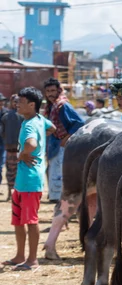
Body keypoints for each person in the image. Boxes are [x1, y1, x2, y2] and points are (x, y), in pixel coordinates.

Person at [2, 87, 56, 271]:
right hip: (24, 180)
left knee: (31, 220)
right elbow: (52, 128)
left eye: (21, 102)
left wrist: (22, 154)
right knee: (18, 220)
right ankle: (20, 255)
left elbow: (31, 143)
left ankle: (32, 260)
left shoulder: (30, 124)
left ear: (32, 105)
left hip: (30, 180)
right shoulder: (40, 120)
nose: (17, 104)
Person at [43, 78, 85, 203]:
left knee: (60, 175)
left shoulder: (62, 105)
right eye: (48, 91)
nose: (50, 93)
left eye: (53, 91)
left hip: (62, 145)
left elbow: (79, 122)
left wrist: (66, 138)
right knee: (54, 172)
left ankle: (61, 203)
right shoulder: (51, 106)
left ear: (58, 91)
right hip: (54, 145)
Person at [0, 94, 24, 200]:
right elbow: (2, 132)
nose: (16, 103)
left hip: (20, 149)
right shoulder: (6, 116)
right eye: (14, 101)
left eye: (18, 101)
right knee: (10, 171)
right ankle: (10, 193)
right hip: (10, 149)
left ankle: (17, 194)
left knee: (18, 171)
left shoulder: (23, 116)